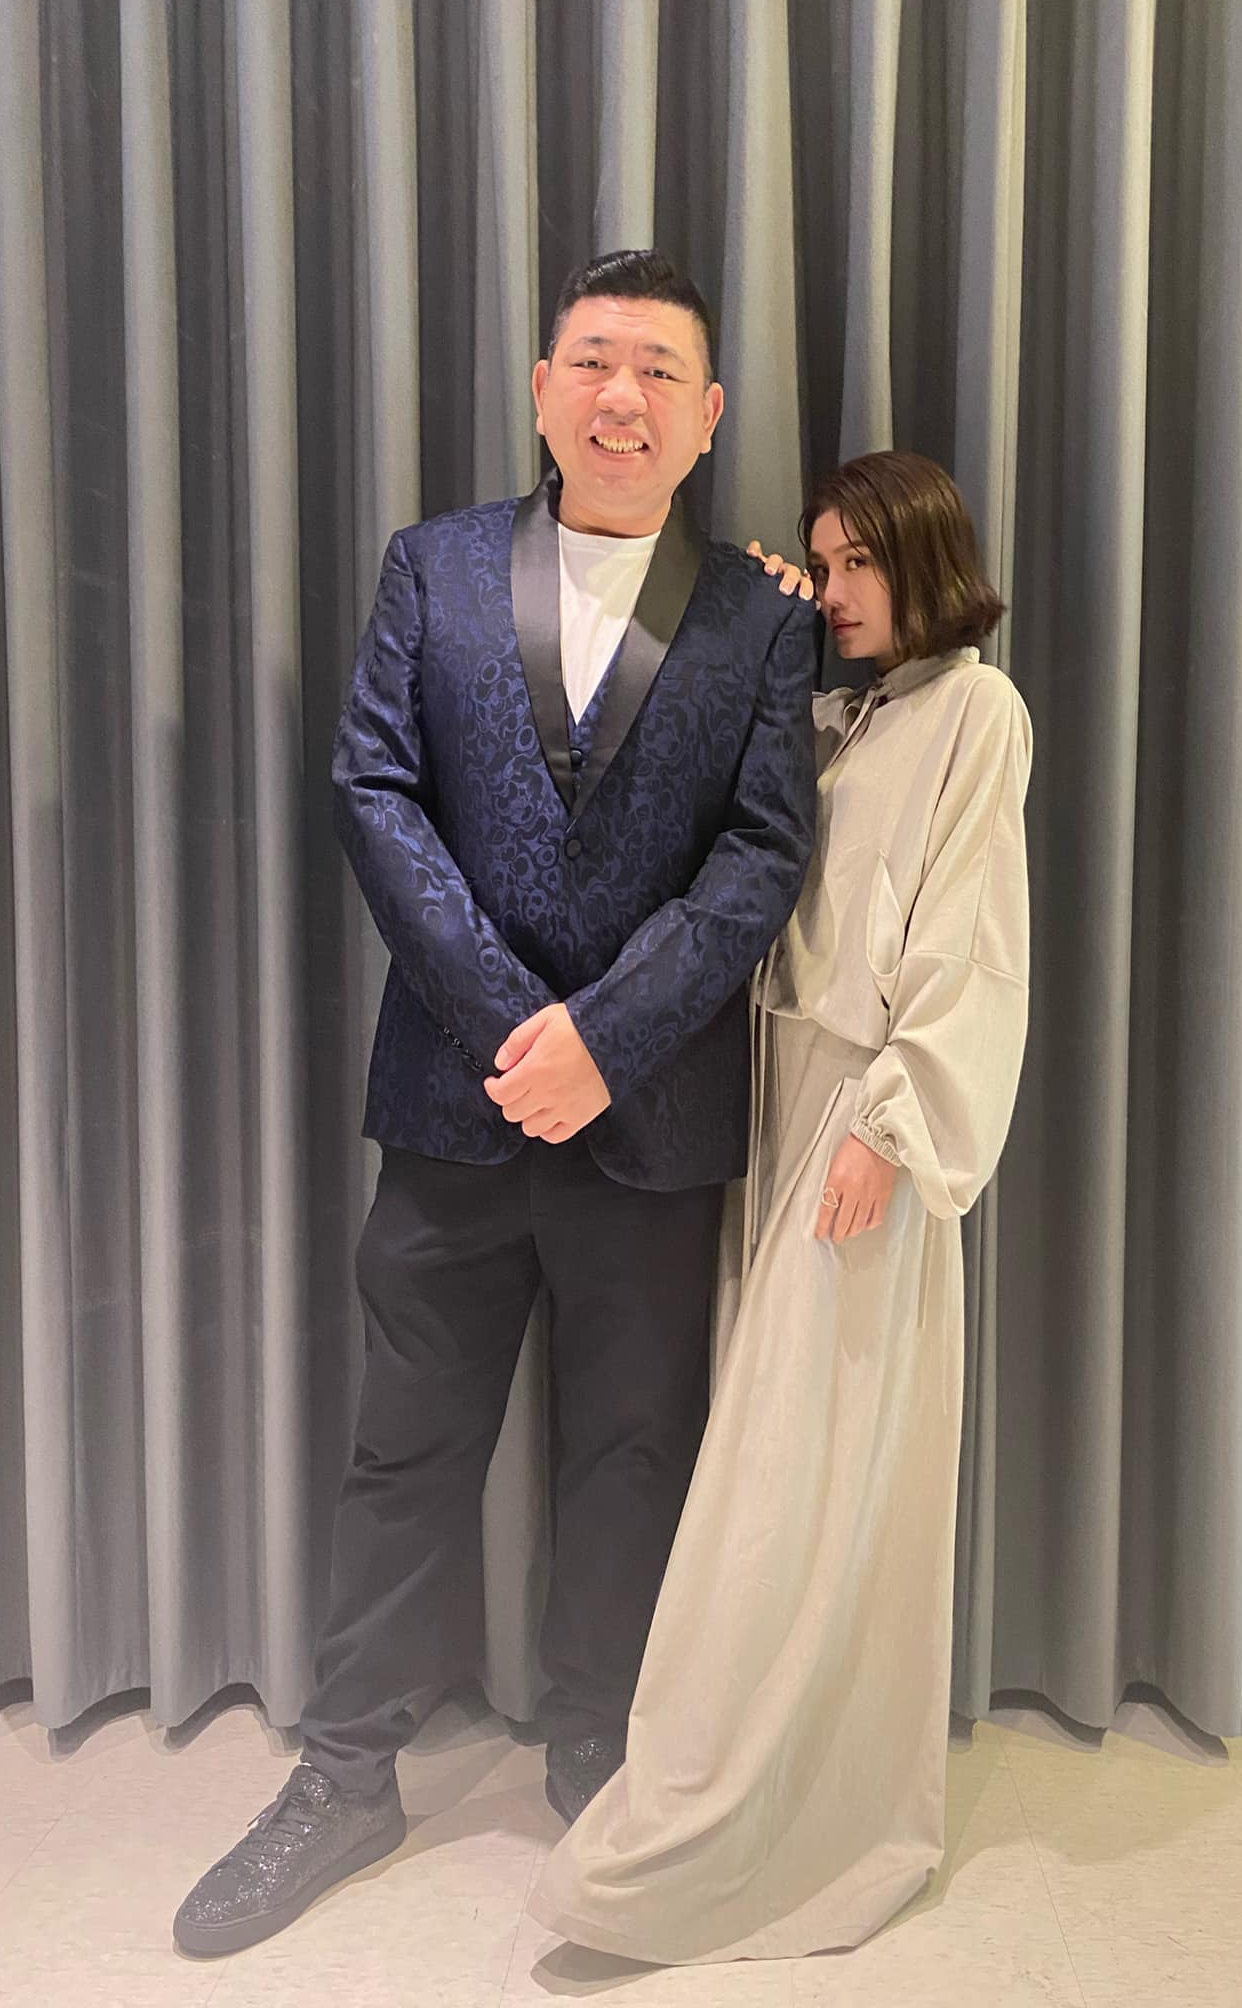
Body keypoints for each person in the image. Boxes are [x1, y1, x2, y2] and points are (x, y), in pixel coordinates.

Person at [171, 250, 817, 1958]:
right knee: (404, 1448)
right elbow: (374, 788)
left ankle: (596, 1755)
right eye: (592, 360)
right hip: (453, 1108)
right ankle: (347, 1773)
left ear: (706, 416)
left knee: (630, 1452)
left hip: (655, 1122)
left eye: (658, 370)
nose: (621, 395)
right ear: (541, 388)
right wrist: (518, 1028)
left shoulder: (765, 616)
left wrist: (608, 1039)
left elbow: (763, 854)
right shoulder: (433, 565)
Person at [531, 450, 1032, 1963]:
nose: (844, 592)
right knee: (774, 1452)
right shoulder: (833, 716)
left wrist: (893, 1120)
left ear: (927, 557)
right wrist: (761, 612)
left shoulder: (976, 714)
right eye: (830, 563)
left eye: (864, 561)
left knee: (809, 1469)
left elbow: (974, 936)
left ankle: (762, 1816)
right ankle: (735, 1782)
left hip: (863, 1121)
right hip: (776, 1102)